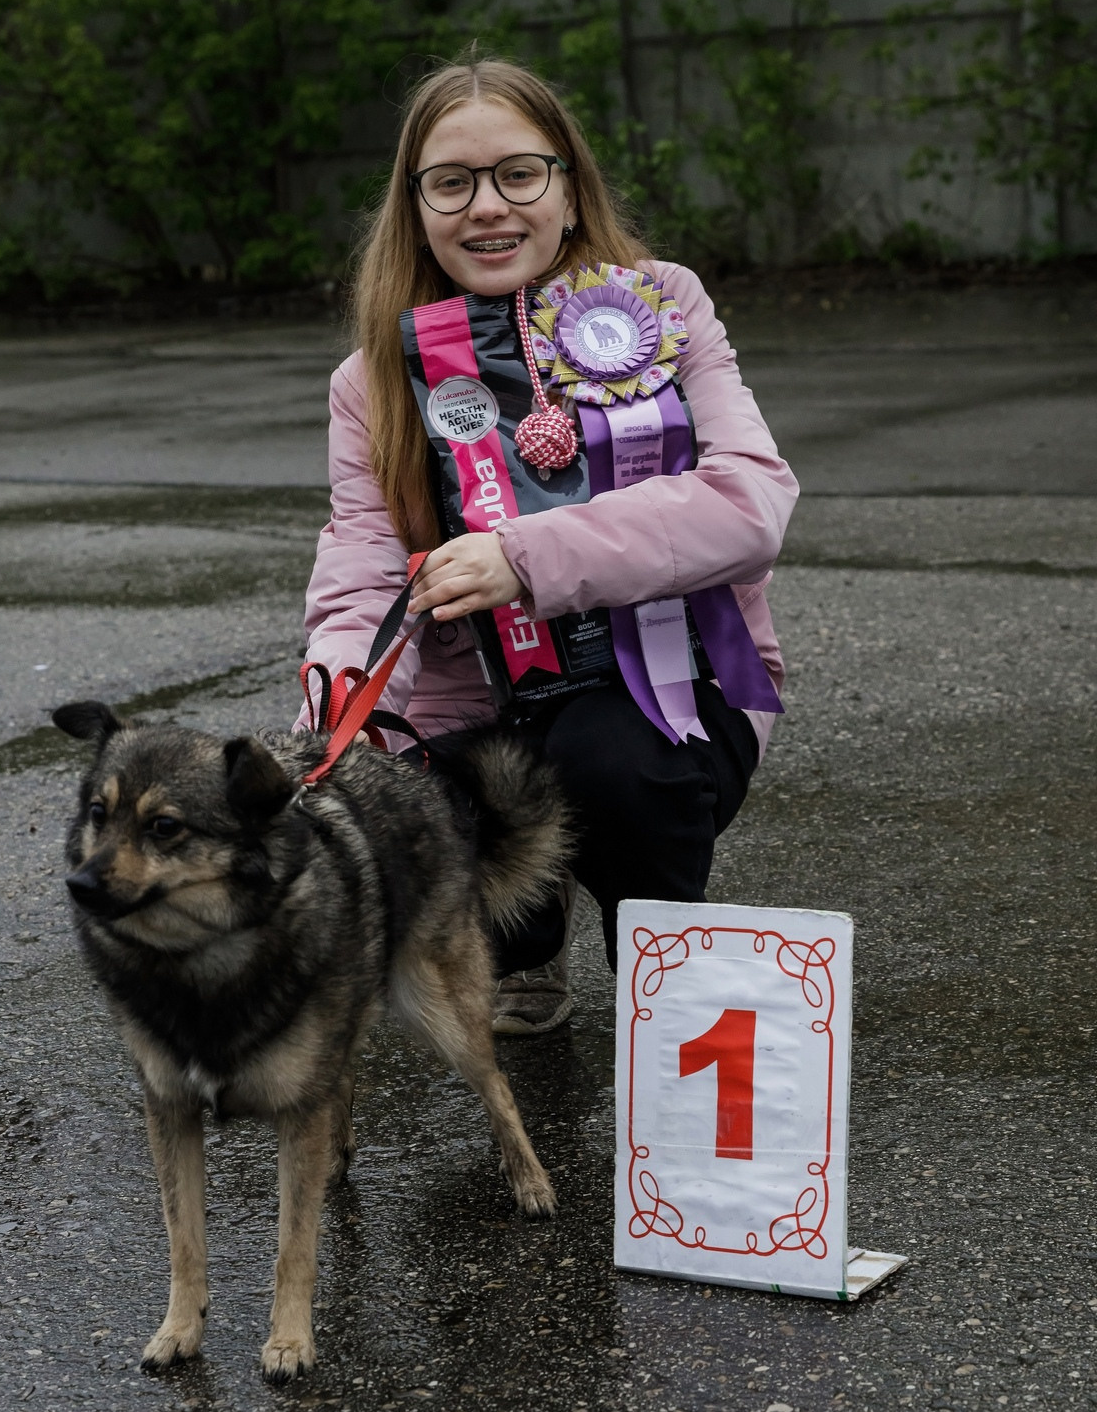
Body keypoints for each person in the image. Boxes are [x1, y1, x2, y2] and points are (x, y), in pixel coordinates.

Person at [299, 55, 797, 1032]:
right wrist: (333, 733)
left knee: (606, 765)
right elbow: (361, 578)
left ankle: (675, 999)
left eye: (519, 174)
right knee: (404, 841)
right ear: (416, 207)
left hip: (675, 696)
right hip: (480, 715)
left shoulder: (664, 305)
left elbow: (751, 503)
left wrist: (522, 558)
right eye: (452, 182)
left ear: (569, 189)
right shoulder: (371, 380)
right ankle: (527, 936)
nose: (488, 206)